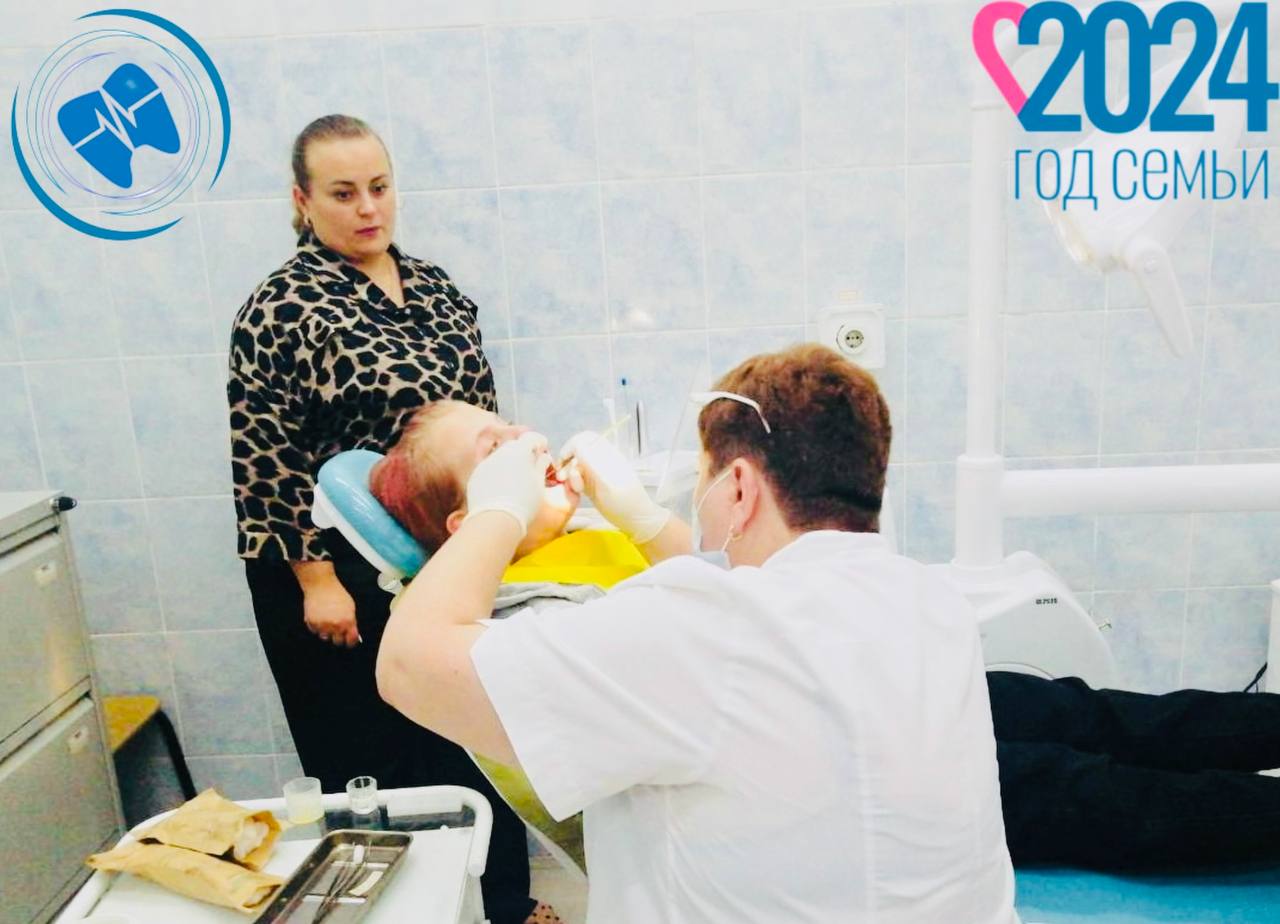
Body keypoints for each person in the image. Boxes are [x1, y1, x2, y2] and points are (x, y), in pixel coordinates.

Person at [374, 388, 1280, 878]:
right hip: (813, 759)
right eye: (493, 450)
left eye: (510, 424)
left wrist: (638, 514)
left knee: (1077, 710)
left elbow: (727, 591)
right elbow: (415, 663)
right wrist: (496, 517)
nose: (525, 442)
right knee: (1082, 783)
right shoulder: (514, 606)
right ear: (466, 520)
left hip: (827, 687)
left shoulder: (587, 543)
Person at [375, 345, 1019, 923]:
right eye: (496, 450)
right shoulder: (934, 599)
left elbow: (407, 665)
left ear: (738, 489)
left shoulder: (698, 629)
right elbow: (731, 615)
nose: (527, 442)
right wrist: (639, 518)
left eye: (702, 477)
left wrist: (498, 509)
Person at [226, 114, 554, 924]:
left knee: (468, 735)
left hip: (438, 555)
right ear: (302, 201)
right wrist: (315, 581)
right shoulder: (279, 308)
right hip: (328, 567)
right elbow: (264, 454)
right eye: (343, 193)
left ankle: (504, 905)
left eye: (379, 186)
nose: (368, 207)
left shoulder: (437, 290)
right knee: (370, 758)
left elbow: (481, 422)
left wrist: (510, 518)